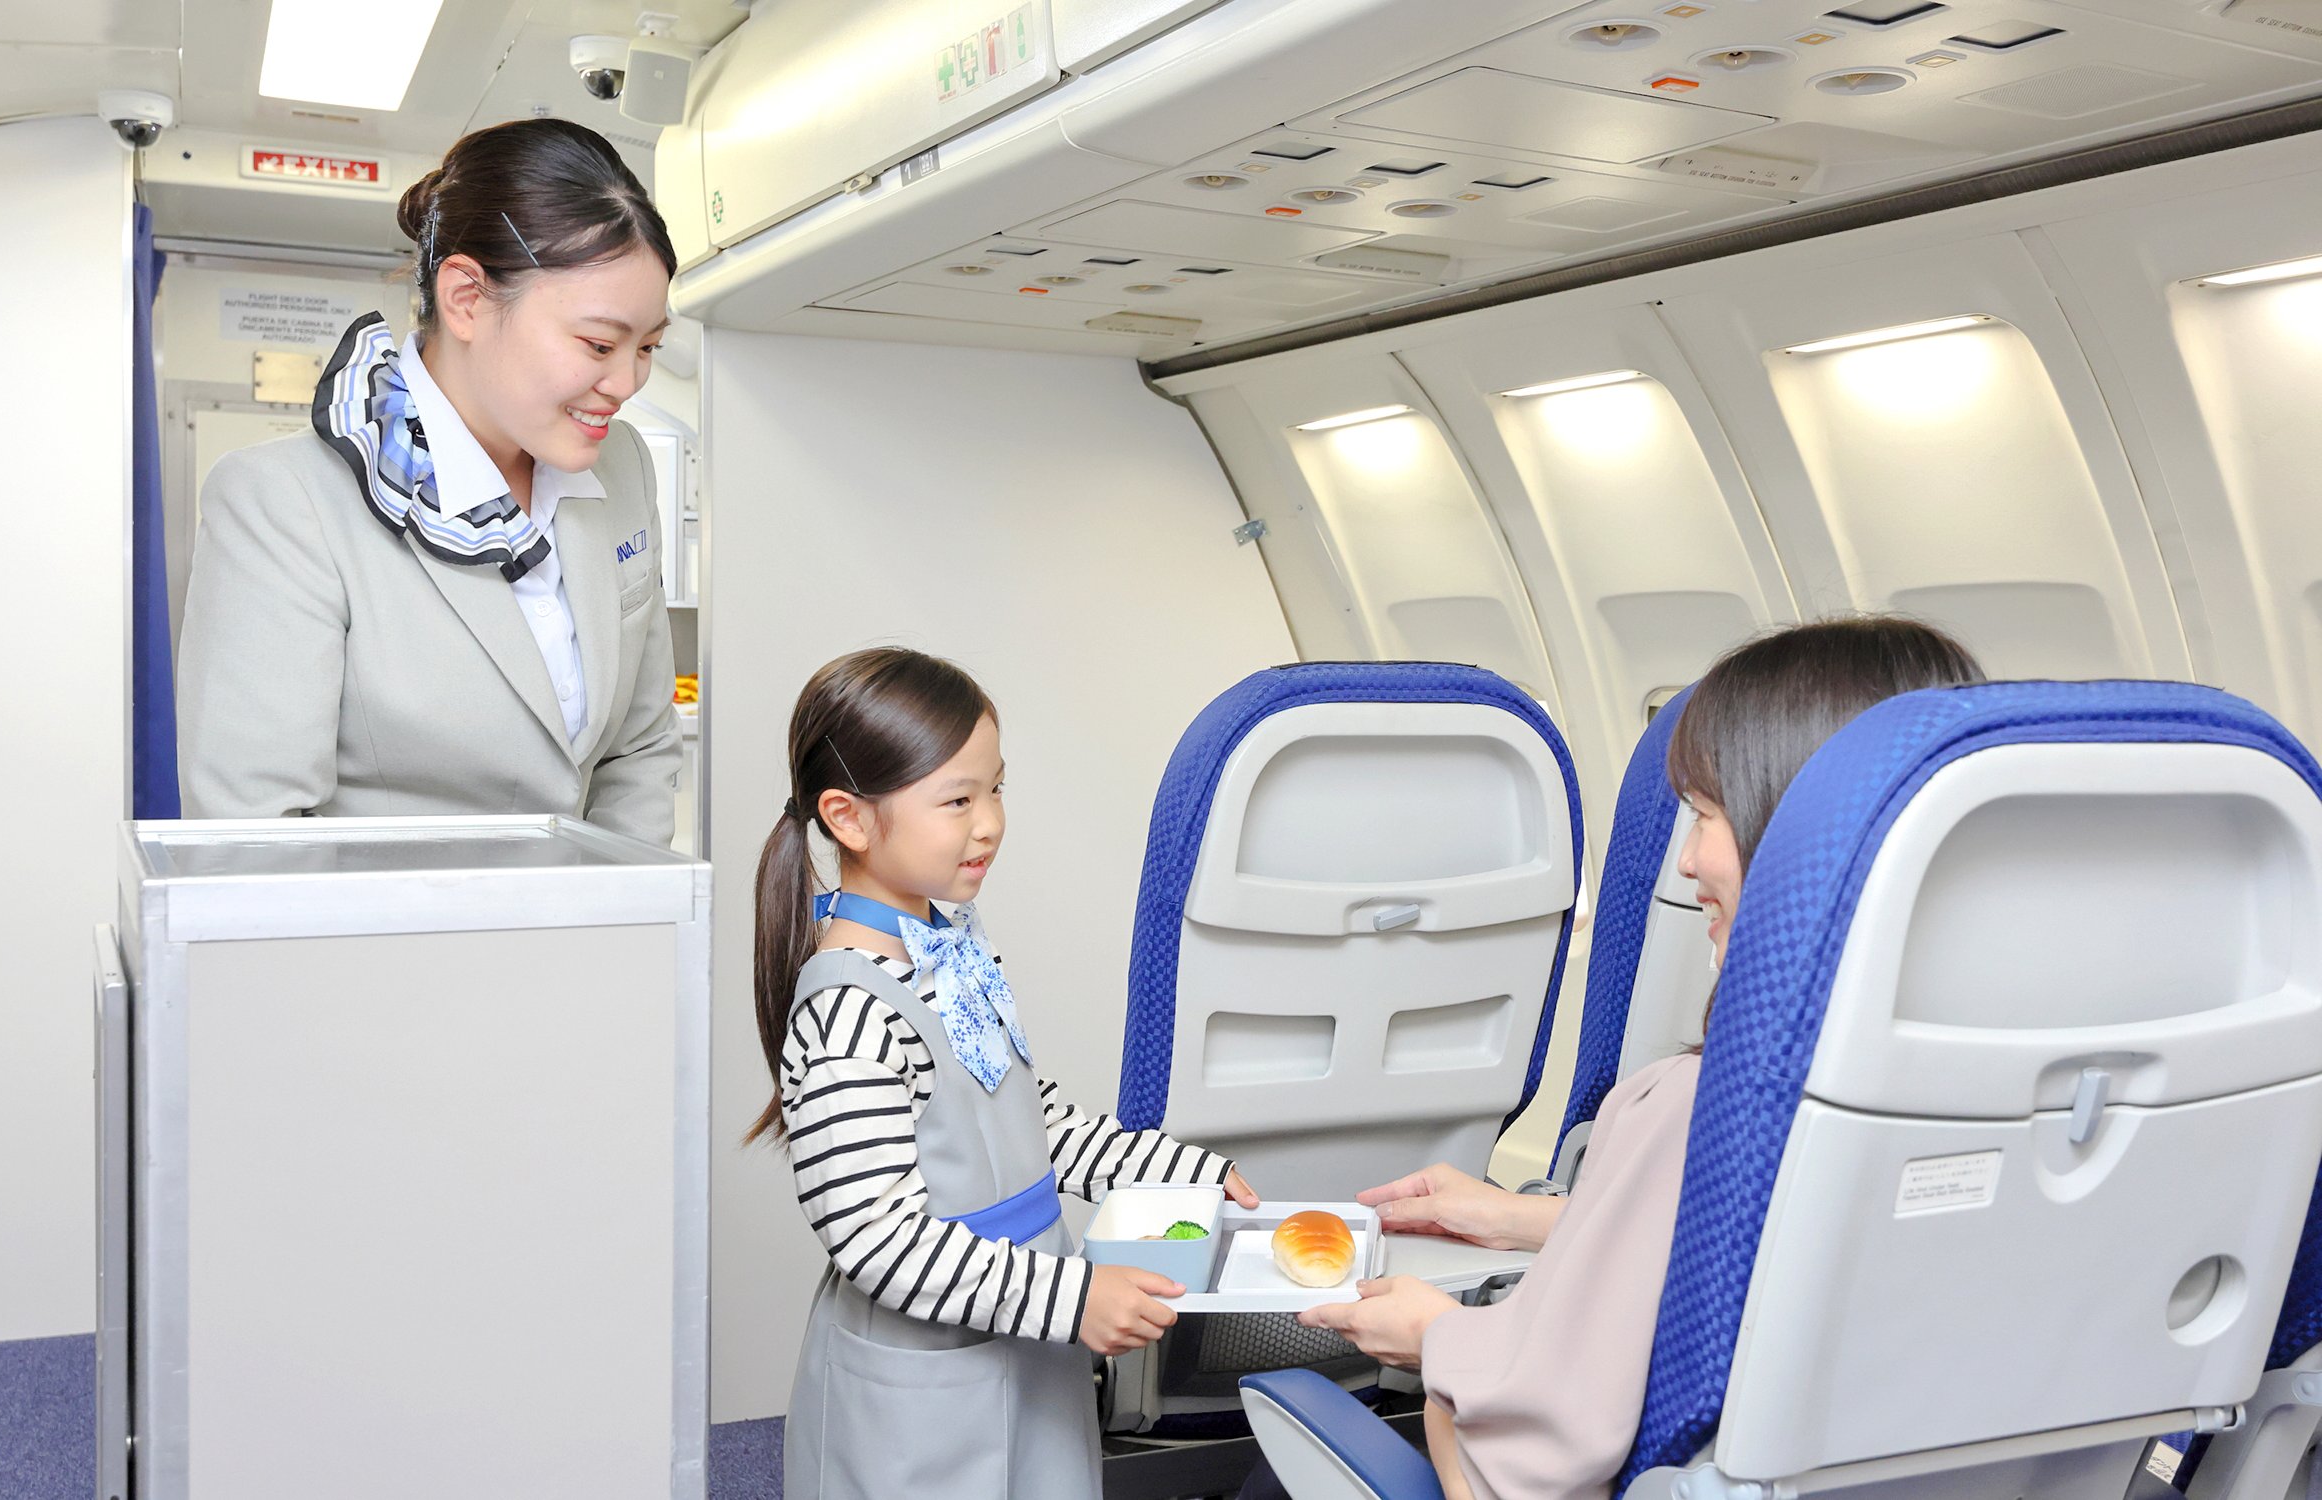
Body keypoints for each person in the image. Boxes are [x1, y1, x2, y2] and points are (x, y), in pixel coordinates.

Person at [1298, 616, 1985, 1500]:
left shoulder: (1709, 1101)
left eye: (1707, 814)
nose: (1691, 861)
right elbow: (1766, 1253)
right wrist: (1525, 1219)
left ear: (1807, 831)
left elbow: (1516, 1474)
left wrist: (1438, 1341)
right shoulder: (1999, 1098)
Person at [752, 647, 1260, 1500]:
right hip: (930, 1379)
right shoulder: (849, 1013)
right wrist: (1072, 1301)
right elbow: (879, 1241)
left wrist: (1187, 1173)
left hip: (1026, 1329)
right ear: (847, 817)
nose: (988, 822)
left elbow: (1035, 1120)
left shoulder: (951, 952)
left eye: (996, 789)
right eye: (957, 799)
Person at [175, 118, 682, 846]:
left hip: (589, 943)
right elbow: (254, 839)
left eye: (649, 347)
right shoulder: (284, 504)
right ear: (468, 298)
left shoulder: (623, 468)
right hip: (382, 952)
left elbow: (638, 749)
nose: (625, 382)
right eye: (600, 344)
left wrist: (616, 929)